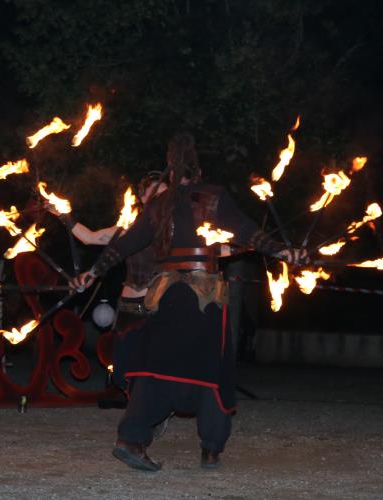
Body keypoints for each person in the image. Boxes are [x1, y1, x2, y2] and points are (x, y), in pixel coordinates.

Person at [72, 132, 305, 472]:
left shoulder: (158, 205)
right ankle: (211, 448)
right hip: (203, 296)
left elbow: (124, 244)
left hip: (166, 295)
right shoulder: (211, 196)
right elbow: (247, 232)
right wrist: (286, 252)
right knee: (211, 368)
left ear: (169, 171)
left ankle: (131, 438)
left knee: (157, 366)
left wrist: (93, 272)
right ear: (196, 171)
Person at [47, 172, 167, 390]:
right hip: (131, 307)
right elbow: (90, 237)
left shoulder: (174, 230)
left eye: (165, 194)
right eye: (156, 193)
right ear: (143, 198)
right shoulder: (130, 229)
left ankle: (147, 411)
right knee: (122, 371)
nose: (161, 199)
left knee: (156, 365)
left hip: (159, 306)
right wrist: (62, 215)